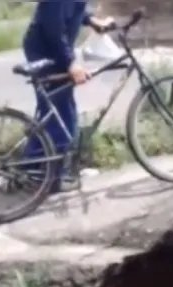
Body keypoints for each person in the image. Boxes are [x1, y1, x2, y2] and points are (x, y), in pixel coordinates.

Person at [21, 1, 113, 193]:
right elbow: (53, 27)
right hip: (46, 51)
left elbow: (74, 8)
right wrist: (71, 63)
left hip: (50, 48)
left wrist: (91, 21)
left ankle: (32, 168)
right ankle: (50, 178)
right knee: (62, 114)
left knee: (53, 111)